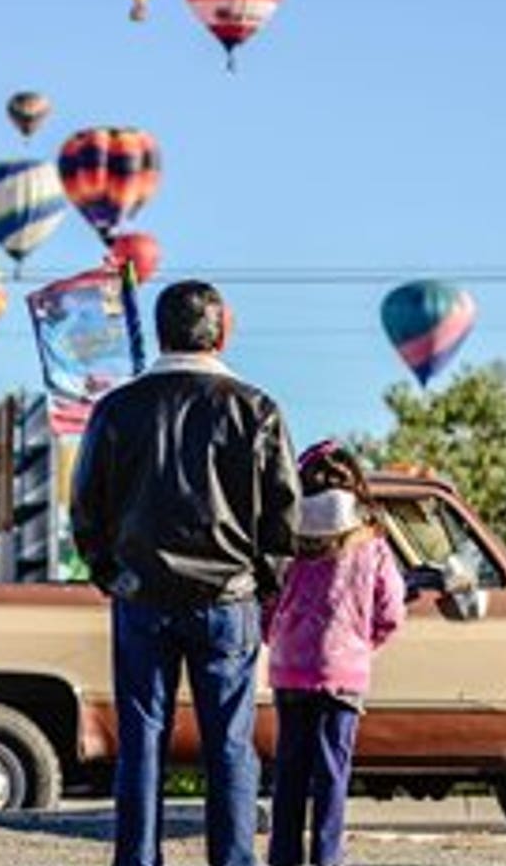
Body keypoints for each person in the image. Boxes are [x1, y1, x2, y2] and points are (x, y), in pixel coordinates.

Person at [71, 280, 301, 866]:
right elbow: (284, 514)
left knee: (141, 742)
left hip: (141, 597)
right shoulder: (256, 408)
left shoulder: (116, 409)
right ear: (221, 332)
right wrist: (260, 581)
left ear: (161, 330)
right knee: (229, 744)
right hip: (228, 600)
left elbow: (85, 508)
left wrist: (112, 575)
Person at [264, 441, 407, 866]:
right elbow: (392, 610)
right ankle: (326, 859)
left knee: (289, 775)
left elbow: (266, 604)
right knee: (331, 777)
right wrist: (364, 644)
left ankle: (283, 859)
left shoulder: (287, 542)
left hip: (290, 672)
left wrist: (281, 640)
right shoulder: (371, 544)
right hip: (342, 675)